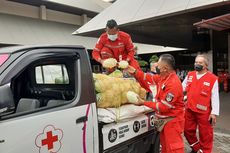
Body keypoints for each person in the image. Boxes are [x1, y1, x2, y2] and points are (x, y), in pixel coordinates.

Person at [127, 54, 185, 153]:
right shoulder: (163, 77)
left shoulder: (173, 84)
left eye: (158, 65)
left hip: (172, 122)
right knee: (165, 148)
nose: (156, 66)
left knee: (173, 149)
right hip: (164, 121)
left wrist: (143, 102)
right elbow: (149, 78)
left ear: (165, 69)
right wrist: (135, 72)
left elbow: (163, 107)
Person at [182, 54, 220, 153]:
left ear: (206, 65)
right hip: (189, 109)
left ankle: (205, 151)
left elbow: (215, 97)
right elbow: (182, 88)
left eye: (200, 62)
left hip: (204, 113)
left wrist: (214, 113)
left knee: (206, 135)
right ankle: (197, 149)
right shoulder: (190, 75)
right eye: (196, 62)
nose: (197, 64)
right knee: (187, 130)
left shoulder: (213, 78)